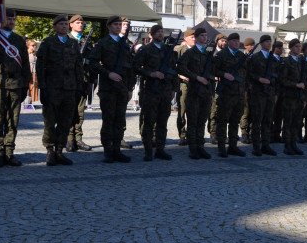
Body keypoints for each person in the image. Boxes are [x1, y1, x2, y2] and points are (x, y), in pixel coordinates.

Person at [0, 8, 31, 167]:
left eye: (13, 19)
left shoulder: (18, 39)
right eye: (8, 18)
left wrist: (25, 85)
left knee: (12, 121)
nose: (11, 21)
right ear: (1, 20)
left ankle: (9, 153)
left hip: (16, 85)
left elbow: (25, 64)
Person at [87, 15, 136, 163]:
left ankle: (117, 149)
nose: (118, 27)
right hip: (108, 88)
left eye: (119, 24)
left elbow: (130, 68)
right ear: (109, 26)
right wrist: (109, 73)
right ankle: (107, 150)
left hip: (122, 88)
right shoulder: (103, 43)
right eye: (115, 24)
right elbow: (93, 63)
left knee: (120, 120)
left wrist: (129, 88)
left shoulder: (125, 44)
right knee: (108, 120)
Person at [36, 15, 83, 165]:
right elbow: (40, 66)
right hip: (52, 88)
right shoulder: (48, 43)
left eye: (65, 24)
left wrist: (79, 87)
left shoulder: (73, 43)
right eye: (61, 24)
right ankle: (50, 151)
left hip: (69, 88)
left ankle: (59, 151)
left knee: (65, 121)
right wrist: (42, 87)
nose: (64, 26)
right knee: (50, 121)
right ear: (55, 26)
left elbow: (78, 67)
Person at [134, 23, 178, 161]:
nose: (160, 34)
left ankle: (160, 149)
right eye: (157, 32)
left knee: (162, 122)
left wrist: (173, 88)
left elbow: (174, 71)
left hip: (165, 90)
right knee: (149, 121)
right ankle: (148, 150)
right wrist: (151, 74)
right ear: (151, 35)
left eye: (161, 31)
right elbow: (135, 67)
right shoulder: (145, 50)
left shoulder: (168, 50)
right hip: (151, 90)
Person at [176, 27, 214, 160]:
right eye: (202, 35)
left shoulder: (207, 54)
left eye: (205, 35)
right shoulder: (190, 53)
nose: (204, 37)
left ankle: (200, 146)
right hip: (193, 91)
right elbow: (180, 67)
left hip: (205, 92)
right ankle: (193, 149)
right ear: (196, 37)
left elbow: (213, 71)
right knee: (193, 121)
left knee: (202, 121)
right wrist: (196, 77)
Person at [213, 33, 249, 158]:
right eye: (233, 41)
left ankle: (233, 146)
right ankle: (221, 147)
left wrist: (245, 90)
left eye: (237, 41)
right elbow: (213, 70)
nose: (236, 43)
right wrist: (223, 74)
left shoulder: (241, 56)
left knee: (235, 121)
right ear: (228, 42)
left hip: (239, 94)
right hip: (226, 94)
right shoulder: (221, 55)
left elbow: (246, 75)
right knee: (222, 121)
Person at [246, 34, 279, 156]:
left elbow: (277, 78)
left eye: (270, 42)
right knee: (257, 120)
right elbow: (249, 74)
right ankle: (256, 146)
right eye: (266, 42)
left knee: (268, 120)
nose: (269, 44)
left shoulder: (274, 59)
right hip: (258, 92)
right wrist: (259, 79)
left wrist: (276, 93)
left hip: (270, 93)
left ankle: (266, 144)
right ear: (261, 44)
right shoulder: (255, 58)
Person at [66, 14, 93, 152]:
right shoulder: (66, 40)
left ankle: (78, 139)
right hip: (69, 82)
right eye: (77, 22)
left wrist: (90, 82)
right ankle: (69, 139)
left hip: (82, 81)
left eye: (82, 23)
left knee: (80, 112)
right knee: (69, 111)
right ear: (71, 24)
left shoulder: (86, 41)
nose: (80, 25)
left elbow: (90, 64)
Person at [26, 39, 39, 107]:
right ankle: (27, 102)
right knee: (28, 87)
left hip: (34, 72)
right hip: (28, 72)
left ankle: (32, 102)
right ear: (28, 46)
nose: (34, 47)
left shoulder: (35, 54)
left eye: (35, 45)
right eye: (32, 45)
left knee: (34, 87)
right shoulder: (26, 54)